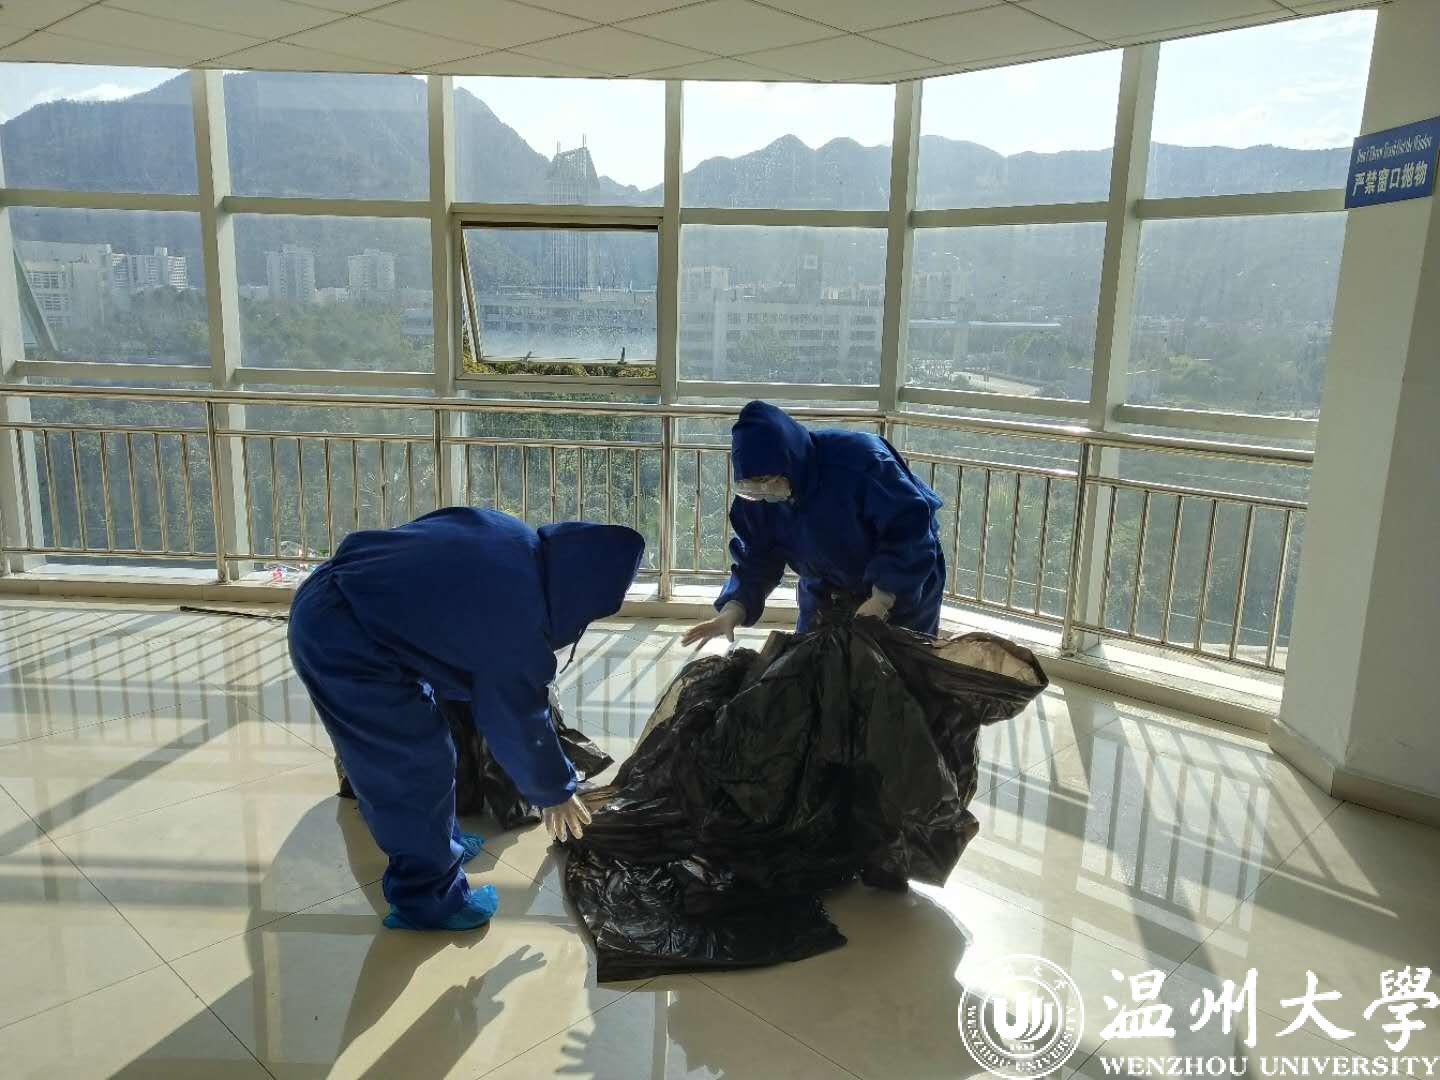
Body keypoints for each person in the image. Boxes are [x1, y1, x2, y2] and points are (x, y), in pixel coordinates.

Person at [288, 506, 644, 932]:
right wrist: (555, 790)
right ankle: (429, 901)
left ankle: (443, 842)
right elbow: (518, 719)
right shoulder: (516, 617)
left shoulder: (510, 534)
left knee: (432, 749)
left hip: (354, 602)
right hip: (344, 640)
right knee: (411, 769)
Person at [683, 400, 945, 648]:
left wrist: (883, 598)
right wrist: (733, 609)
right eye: (752, 484)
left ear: (791, 461)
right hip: (824, 585)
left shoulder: (860, 463)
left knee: (897, 665)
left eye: (767, 479)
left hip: (903, 577)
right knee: (814, 664)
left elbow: (908, 529)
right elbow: (757, 557)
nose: (763, 490)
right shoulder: (758, 497)